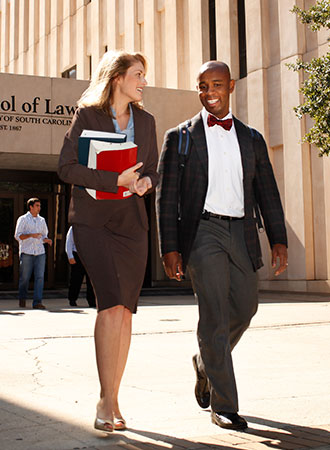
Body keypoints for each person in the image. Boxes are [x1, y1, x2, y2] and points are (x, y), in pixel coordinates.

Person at [156, 61, 288, 431]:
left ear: (231, 85)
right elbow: (167, 199)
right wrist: (170, 247)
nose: (209, 91)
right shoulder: (179, 137)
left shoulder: (252, 138)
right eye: (202, 85)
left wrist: (278, 238)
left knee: (245, 308)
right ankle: (224, 404)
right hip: (203, 233)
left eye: (216, 84)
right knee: (213, 315)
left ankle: (205, 361)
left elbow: (267, 193)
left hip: (242, 232)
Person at [58, 50, 159, 432]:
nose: (143, 81)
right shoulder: (87, 115)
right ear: (117, 77)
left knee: (126, 309)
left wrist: (148, 182)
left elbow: (152, 169)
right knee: (109, 302)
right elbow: (66, 168)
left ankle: (114, 396)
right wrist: (112, 181)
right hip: (94, 223)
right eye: (138, 74)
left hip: (132, 224)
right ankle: (106, 399)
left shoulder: (146, 122)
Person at [14, 198, 52, 310]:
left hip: (40, 252)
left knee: (40, 277)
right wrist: (31, 235)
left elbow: (44, 235)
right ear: (31, 207)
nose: (39, 208)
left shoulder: (42, 220)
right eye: (37, 205)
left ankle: (37, 302)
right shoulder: (23, 219)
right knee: (25, 277)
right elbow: (18, 236)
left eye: (40, 206)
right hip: (27, 252)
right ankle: (22, 297)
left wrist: (47, 240)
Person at [65, 225, 96, 307]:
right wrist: (70, 256)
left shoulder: (92, 227)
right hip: (77, 255)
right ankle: (72, 299)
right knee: (76, 279)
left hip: (90, 256)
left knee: (91, 280)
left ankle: (91, 301)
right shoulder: (73, 228)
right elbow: (69, 242)